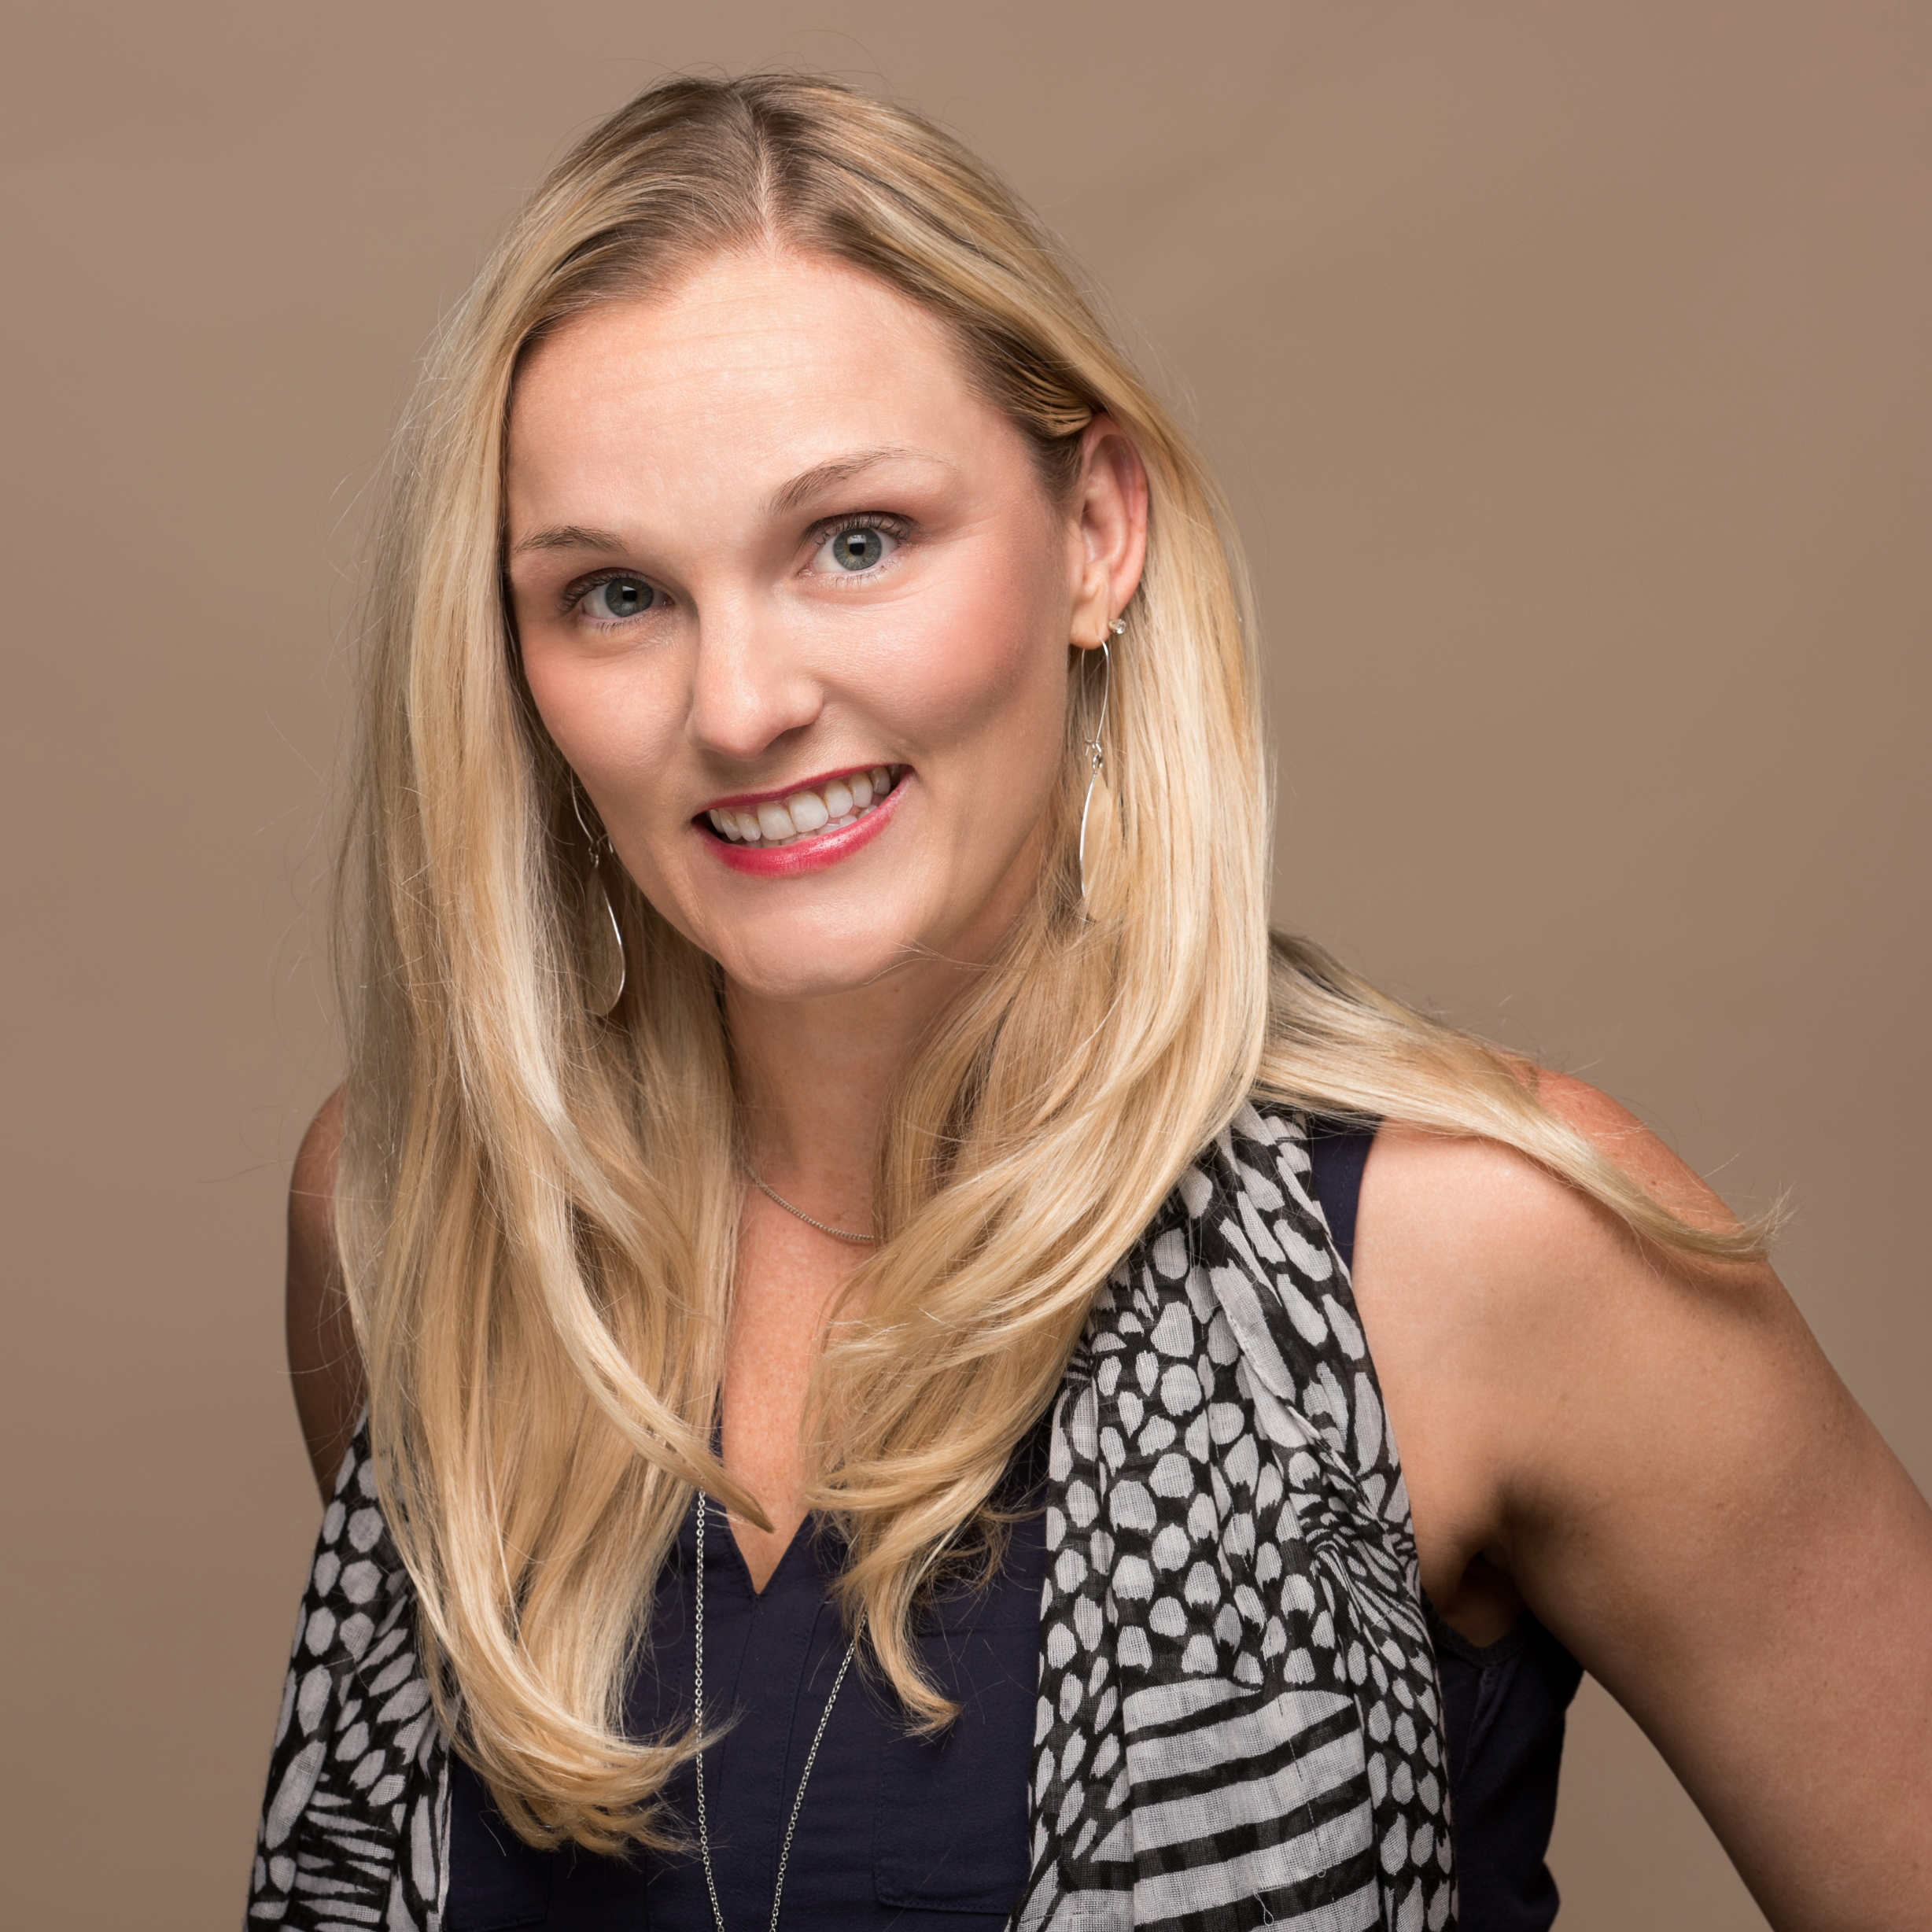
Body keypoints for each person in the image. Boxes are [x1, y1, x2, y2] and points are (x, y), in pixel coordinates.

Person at [248, 73, 1932, 1932]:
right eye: (619, 594)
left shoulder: (1480, 1258)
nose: (737, 704)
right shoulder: (421, 1226)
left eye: (857, 540)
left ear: (1097, 534)